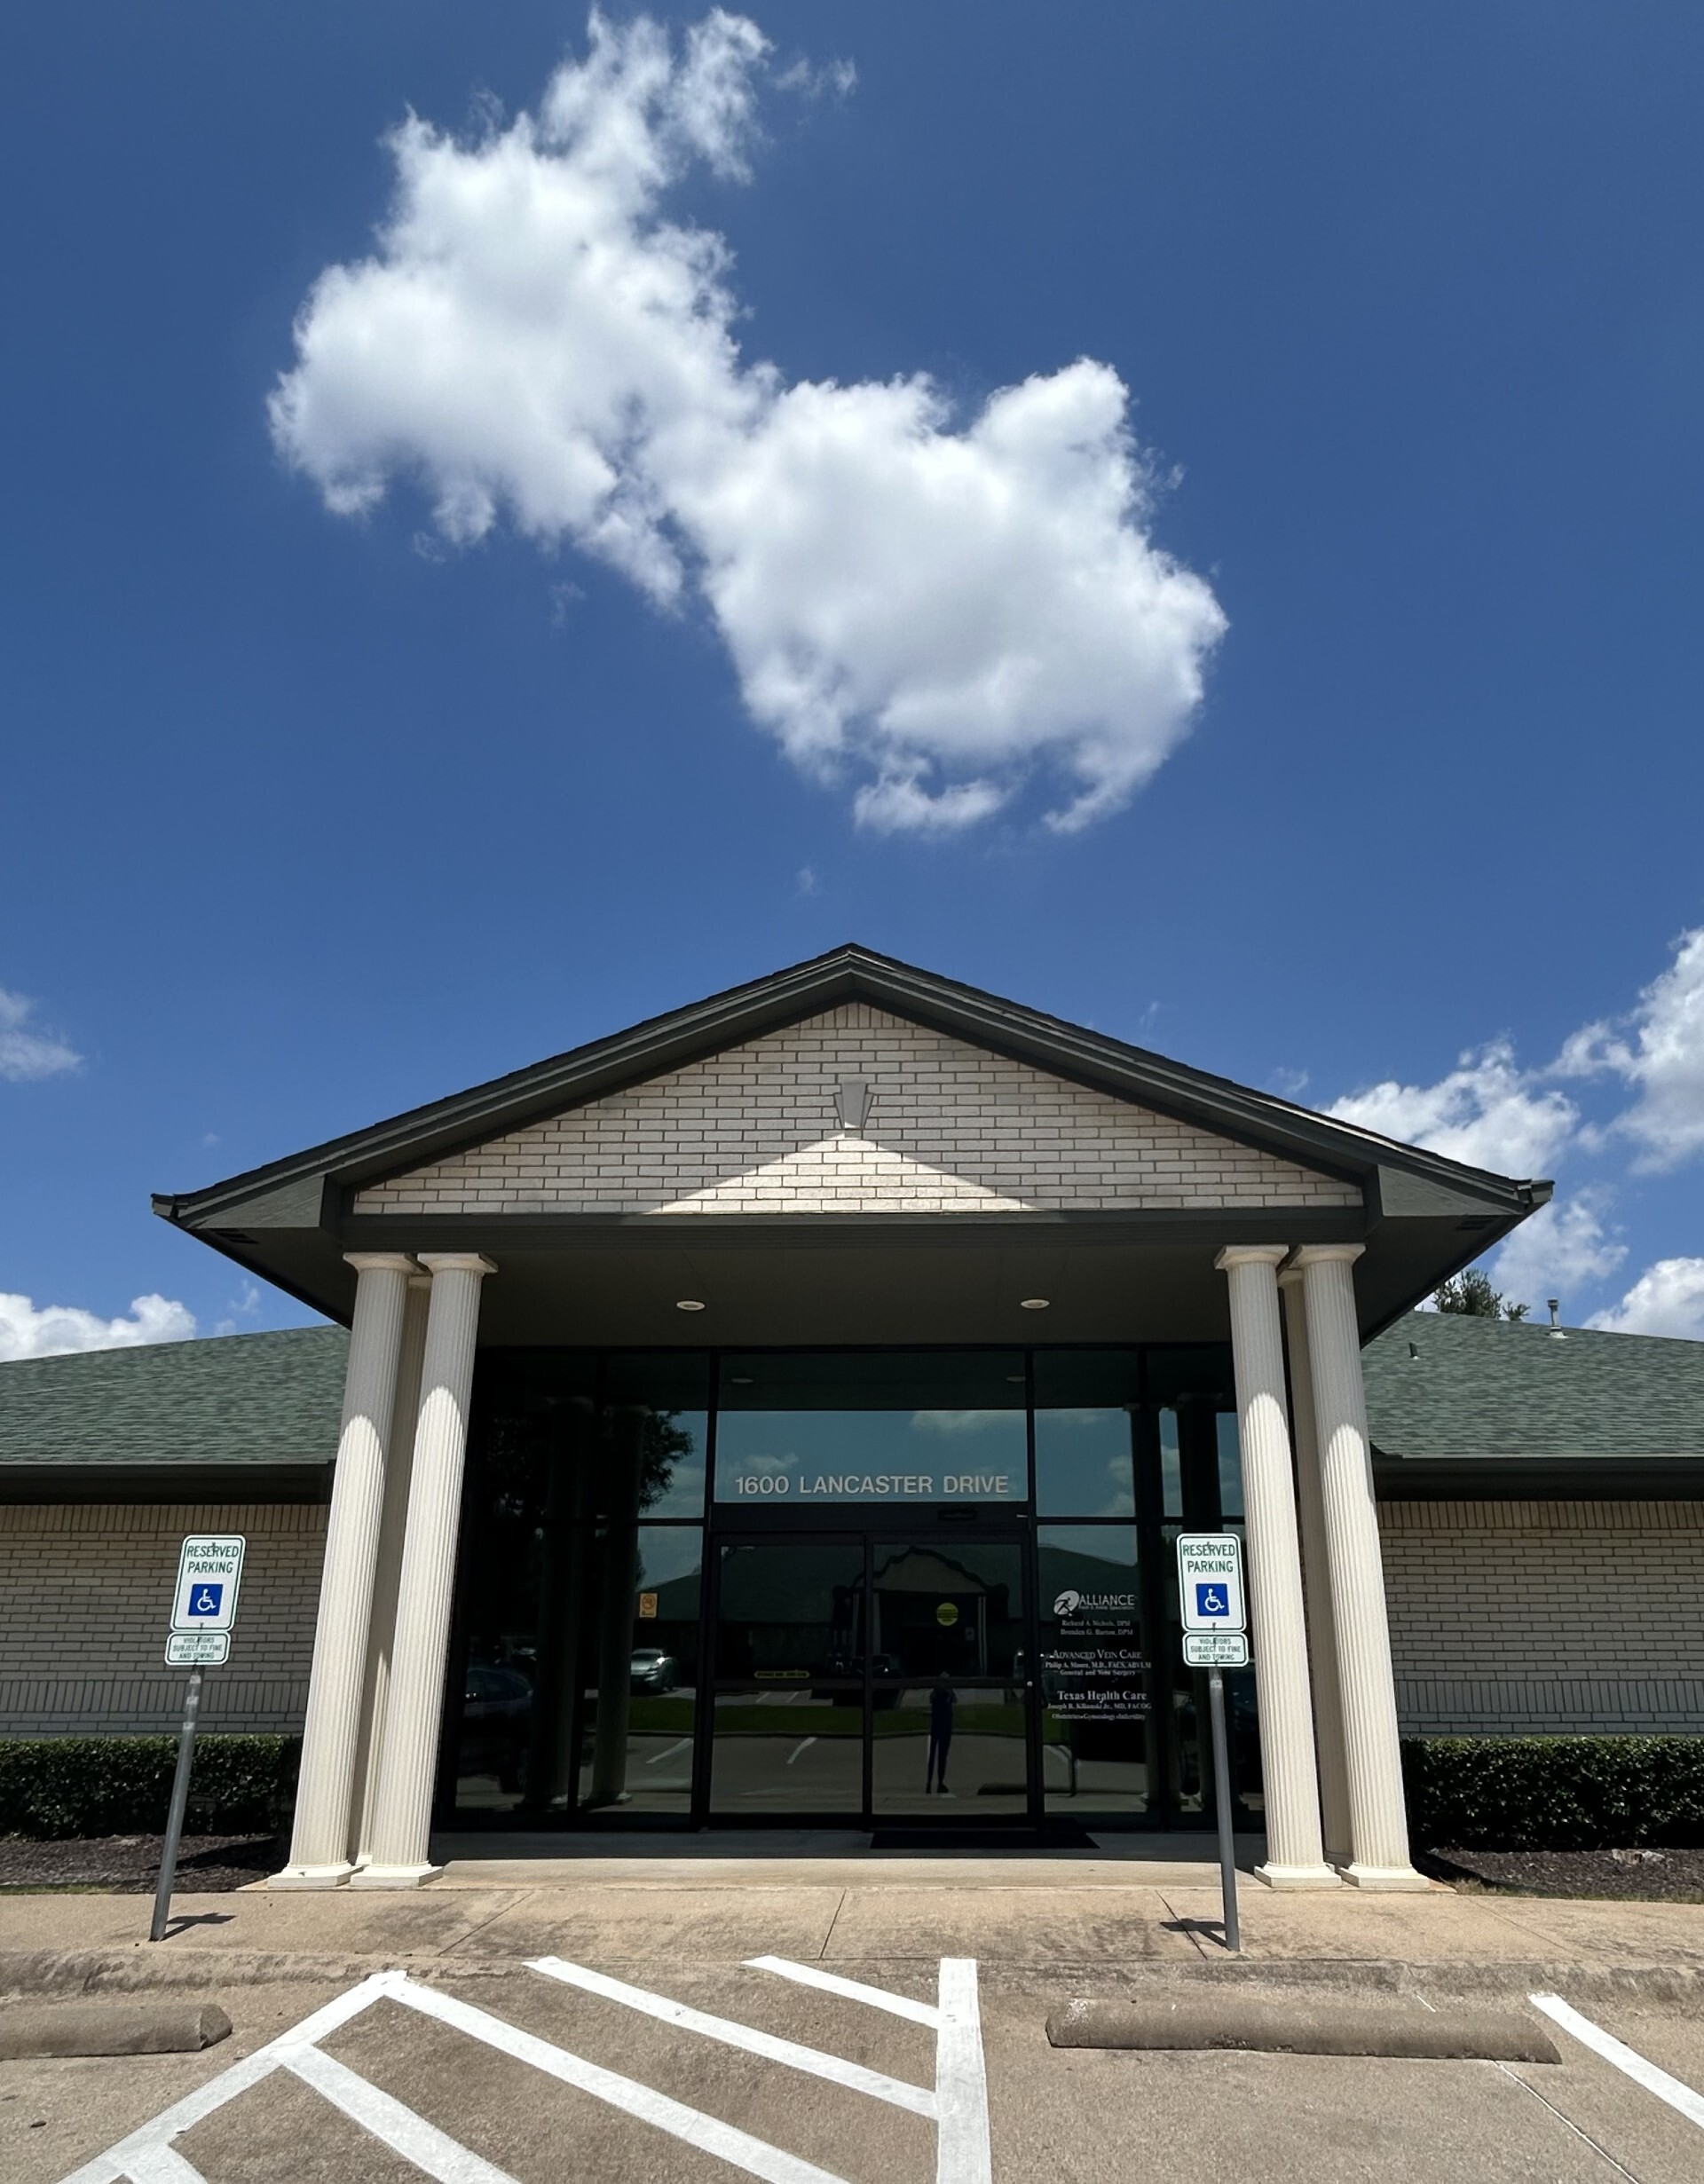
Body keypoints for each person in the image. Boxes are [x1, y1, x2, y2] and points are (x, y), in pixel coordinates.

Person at [926, 1670, 956, 1795]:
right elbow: (953, 1701)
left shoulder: (935, 1694)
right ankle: (938, 1782)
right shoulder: (948, 1694)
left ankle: (930, 1783)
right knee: (941, 1756)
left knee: (934, 1755)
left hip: (937, 1726)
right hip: (944, 1726)